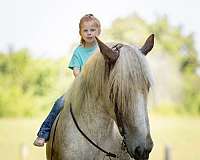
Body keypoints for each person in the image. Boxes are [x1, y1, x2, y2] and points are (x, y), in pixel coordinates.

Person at [33, 14, 101, 147]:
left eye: (92, 30)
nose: (89, 33)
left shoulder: (101, 49)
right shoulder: (79, 51)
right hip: (81, 87)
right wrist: (84, 77)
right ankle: (43, 133)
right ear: (80, 33)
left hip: (100, 88)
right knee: (60, 102)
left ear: (98, 31)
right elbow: (76, 70)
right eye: (85, 30)